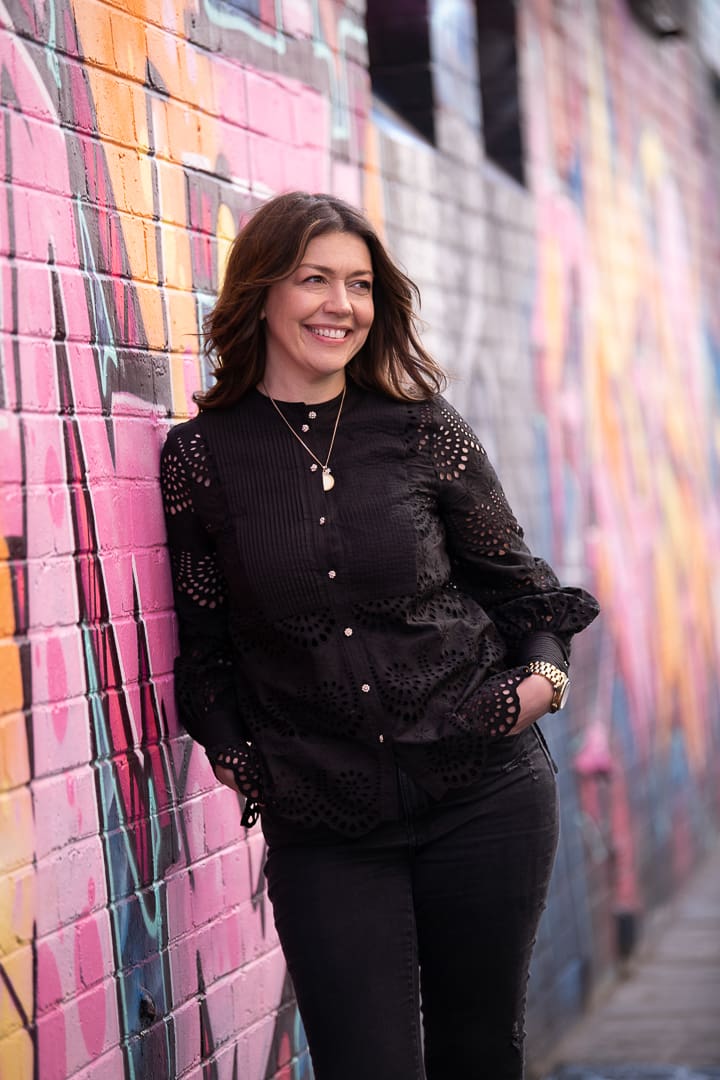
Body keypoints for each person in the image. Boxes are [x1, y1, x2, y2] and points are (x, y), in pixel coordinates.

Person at [160, 191, 599, 1080]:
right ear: (263, 294)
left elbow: (527, 596)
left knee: (480, 1055)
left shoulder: (425, 433)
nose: (341, 305)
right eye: (313, 278)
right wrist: (254, 765)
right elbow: (206, 650)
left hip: (485, 796)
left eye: (359, 284)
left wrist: (538, 689)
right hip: (327, 829)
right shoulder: (201, 458)